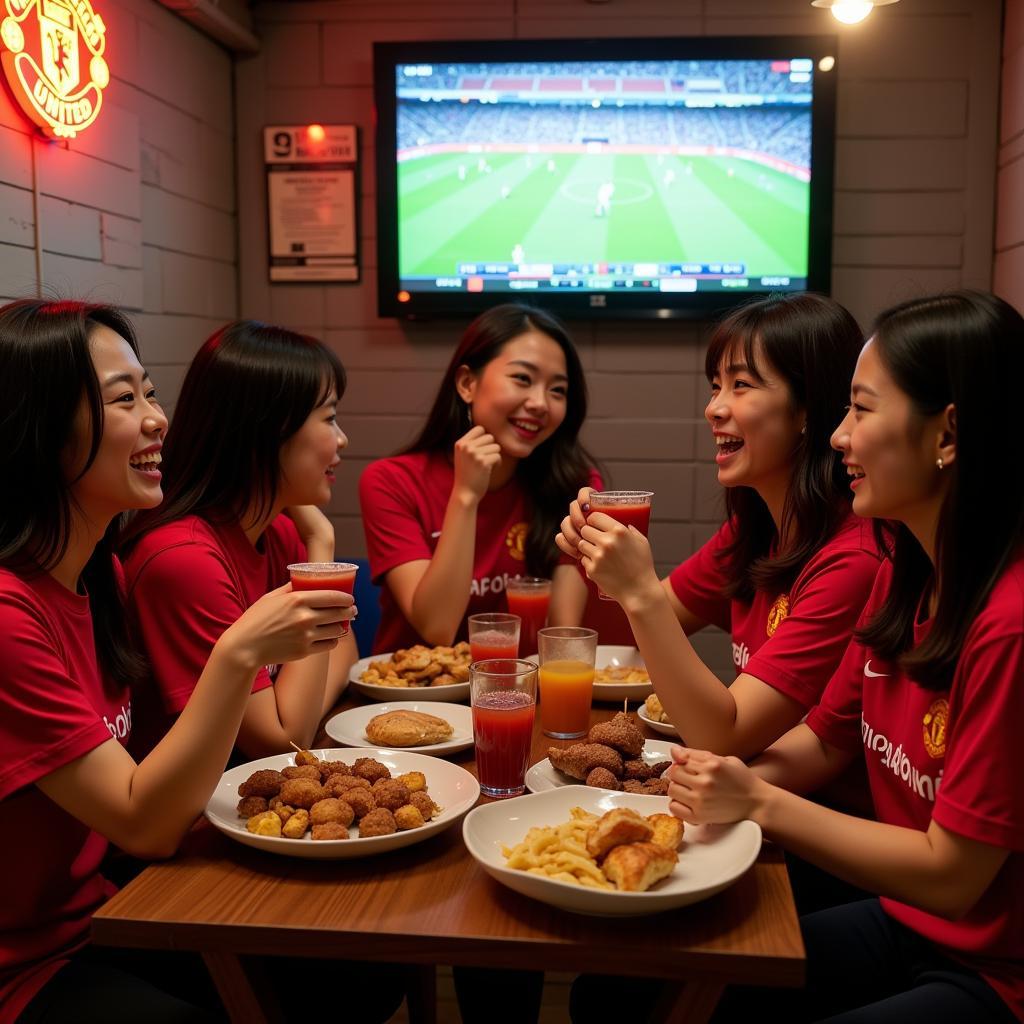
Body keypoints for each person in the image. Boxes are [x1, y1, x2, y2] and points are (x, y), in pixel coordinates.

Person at [668, 290, 1024, 1023]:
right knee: (702, 988)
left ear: (947, 434)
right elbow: (822, 744)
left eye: (860, 410)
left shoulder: (1008, 624)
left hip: (995, 967)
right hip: (906, 917)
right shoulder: (905, 568)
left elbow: (953, 876)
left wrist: (757, 799)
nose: (839, 438)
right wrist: (695, 790)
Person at [0, 300, 351, 1024]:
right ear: (37, 431)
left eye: (151, 393)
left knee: (348, 969)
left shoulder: (101, 578)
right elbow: (147, 823)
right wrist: (240, 653)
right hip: (26, 961)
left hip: (106, 909)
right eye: (124, 399)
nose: (159, 420)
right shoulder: (12, 614)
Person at [560, 293, 883, 770]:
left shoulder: (853, 558)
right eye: (716, 386)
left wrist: (639, 590)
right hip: (744, 799)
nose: (714, 408)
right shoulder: (752, 531)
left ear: (807, 410)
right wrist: (599, 559)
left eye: (741, 385)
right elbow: (640, 626)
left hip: (804, 822)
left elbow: (722, 735)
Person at [121, 321, 357, 760]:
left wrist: (296, 707)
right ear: (266, 433)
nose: (341, 439)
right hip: (200, 819)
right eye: (329, 417)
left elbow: (345, 651)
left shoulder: (280, 531)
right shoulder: (183, 560)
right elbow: (281, 740)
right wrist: (321, 547)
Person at [359, 302, 617, 654]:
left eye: (557, 390)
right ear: (467, 383)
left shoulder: (573, 484)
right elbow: (437, 626)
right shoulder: (390, 481)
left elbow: (560, 636)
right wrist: (465, 495)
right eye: (522, 379)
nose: (541, 403)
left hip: (522, 691)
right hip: (412, 696)